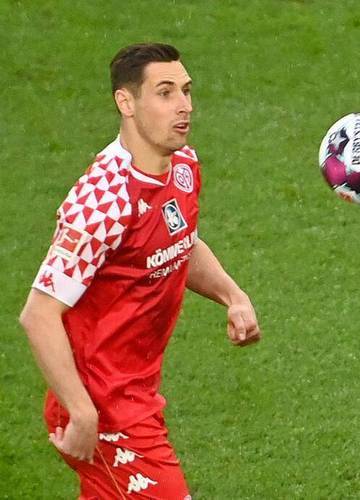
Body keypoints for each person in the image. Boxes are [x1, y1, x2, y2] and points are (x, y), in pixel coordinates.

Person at [18, 43, 261, 498]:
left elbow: (181, 242)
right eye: (165, 93)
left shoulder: (182, 166)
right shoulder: (103, 200)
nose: (184, 105)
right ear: (126, 102)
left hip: (135, 392)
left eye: (186, 91)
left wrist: (233, 295)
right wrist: (82, 411)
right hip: (103, 405)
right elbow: (39, 314)